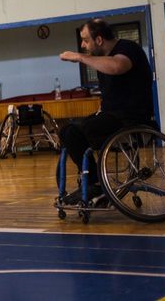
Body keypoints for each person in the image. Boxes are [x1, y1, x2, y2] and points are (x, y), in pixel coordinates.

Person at [58, 18, 154, 204]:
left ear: (99, 40)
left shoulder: (127, 48)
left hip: (133, 119)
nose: (83, 45)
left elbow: (118, 66)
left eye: (86, 40)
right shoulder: (101, 61)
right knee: (68, 131)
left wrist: (80, 57)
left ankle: (97, 184)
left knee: (87, 128)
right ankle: (94, 182)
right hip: (112, 117)